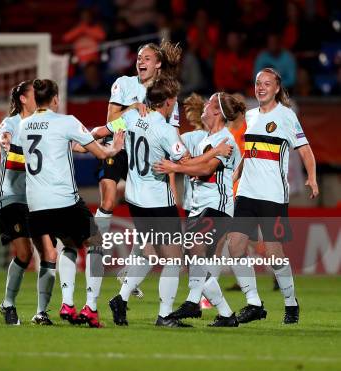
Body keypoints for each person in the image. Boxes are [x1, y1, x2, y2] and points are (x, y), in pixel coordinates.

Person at [19, 79, 124, 327]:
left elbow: (66, 145)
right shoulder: (67, 121)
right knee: (96, 242)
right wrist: (114, 149)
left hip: (35, 204)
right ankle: (91, 308)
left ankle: (67, 303)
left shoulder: (24, 125)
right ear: (55, 98)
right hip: (63, 200)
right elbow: (99, 152)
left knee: (67, 244)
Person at [226, 67, 318, 324]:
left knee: (274, 254)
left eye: (267, 83)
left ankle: (291, 303)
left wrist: (311, 177)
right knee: (235, 247)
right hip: (246, 194)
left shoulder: (287, 116)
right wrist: (237, 174)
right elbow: (250, 151)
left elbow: (305, 149)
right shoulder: (251, 115)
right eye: (258, 83)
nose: (261, 87)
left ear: (277, 88)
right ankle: (254, 303)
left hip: (273, 196)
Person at [154, 92, 246, 327]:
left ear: (217, 112)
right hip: (197, 208)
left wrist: (175, 166)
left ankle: (193, 301)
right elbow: (177, 147)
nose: (204, 106)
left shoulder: (226, 141)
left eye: (209, 103)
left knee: (194, 248)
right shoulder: (201, 137)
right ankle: (226, 315)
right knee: (196, 260)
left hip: (217, 206)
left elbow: (204, 169)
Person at [102, 40, 182, 298]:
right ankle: (96, 249)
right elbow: (110, 121)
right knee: (110, 198)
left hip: (148, 159)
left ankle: (130, 272)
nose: (141, 61)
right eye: (139, 57)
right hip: (119, 147)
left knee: (146, 216)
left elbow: (172, 137)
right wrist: (132, 107)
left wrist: (172, 177)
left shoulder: (166, 94)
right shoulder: (124, 84)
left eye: (147, 58)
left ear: (158, 64)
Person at [0, 80, 37, 325]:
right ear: (23, 98)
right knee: (24, 252)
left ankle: (45, 310)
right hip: (11, 197)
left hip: (36, 198)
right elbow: (7, 146)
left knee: (48, 251)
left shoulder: (44, 124)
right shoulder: (9, 123)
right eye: (34, 94)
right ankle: (8, 304)